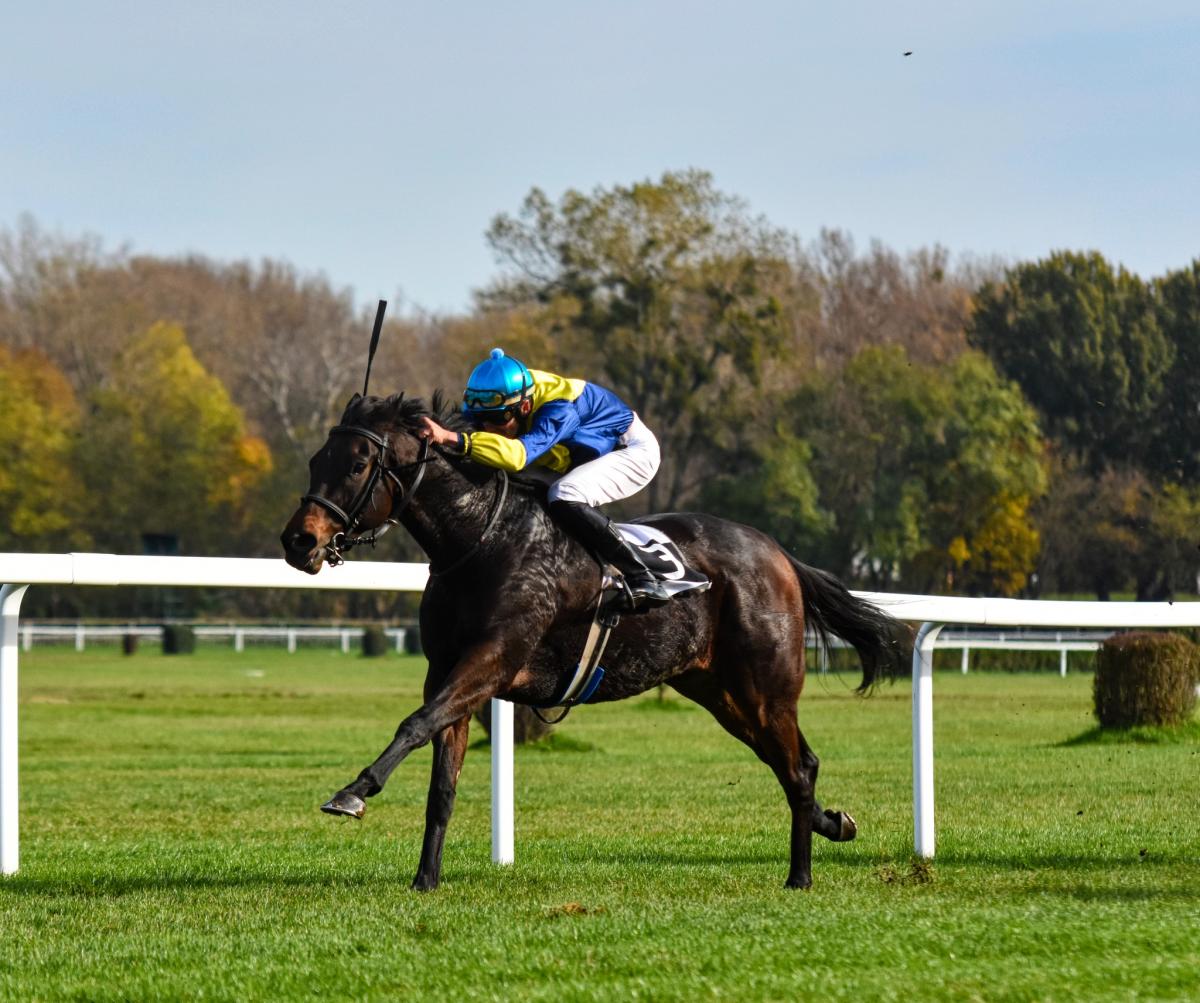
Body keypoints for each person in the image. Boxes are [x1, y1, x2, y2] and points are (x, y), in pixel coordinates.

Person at [417, 348, 670, 607]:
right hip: (571, 456)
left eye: (497, 418)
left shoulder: (559, 410)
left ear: (525, 406)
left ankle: (642, 576)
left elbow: (516, 456)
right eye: (481, 419)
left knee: (564, 494)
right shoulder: (500, 399)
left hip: (630, 450)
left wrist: (454, 438)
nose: (488, 428)